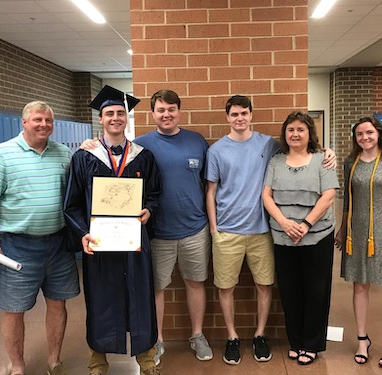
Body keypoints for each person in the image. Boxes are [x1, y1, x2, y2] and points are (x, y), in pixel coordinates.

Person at [206, 95, 336, 365]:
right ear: (227, 117)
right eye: (234, 114)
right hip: (229, 231)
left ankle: (260, 335)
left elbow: (305, 151)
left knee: (265, 285)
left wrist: (329, 152)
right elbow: (211, 191)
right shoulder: (217, 150)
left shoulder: (269, 145)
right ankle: (232, 337)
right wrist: (215, 230)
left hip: (262, 231)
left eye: (244, 113)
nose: (239, 118)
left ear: (251, 115)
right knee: (226, 287)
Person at [63, 85, 162, 375]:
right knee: (101, 297)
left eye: (121, 113)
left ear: (127, 118)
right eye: (109, 113)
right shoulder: (85, 156)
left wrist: (149, 210)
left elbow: (155, 193)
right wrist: (83, 232)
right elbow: (72, 203)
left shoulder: (143, 156)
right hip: (100, 241)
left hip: (134, 240)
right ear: (101, 119)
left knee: (141, 296)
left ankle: (145, 358)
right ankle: (97, 360)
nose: (115, 118)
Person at [0, 101, 80, 375]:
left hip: (59, 244)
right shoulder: (2, 154)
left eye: (48, 120)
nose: (43, 124)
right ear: (24, 122)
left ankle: (54, 361)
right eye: (37, 119)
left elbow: (77, 194)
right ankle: (17, 366)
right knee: (13, 309)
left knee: (58, 303)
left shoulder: (64, 154)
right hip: (17, 246)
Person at [134, 90, 213, 363]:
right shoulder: (140, 144)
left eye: (171, 109)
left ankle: (197, 335)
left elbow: (208, 184)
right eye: (160, 109)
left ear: (179, 111)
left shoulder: (196, 141)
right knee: (157, 287)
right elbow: (114, 163)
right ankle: (157, 340)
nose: (166, 114)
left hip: (195, 228)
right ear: (152, 113)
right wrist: (90, 145)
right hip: (157, 232)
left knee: (195, 283)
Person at [262, 111, 339, 365]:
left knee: (316, 291)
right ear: (285, 133)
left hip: (317, 236)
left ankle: (312, 344)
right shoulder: (276, 161)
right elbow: (266, 196)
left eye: (301, 130)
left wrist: (305, 224)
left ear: (309, 134)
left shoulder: (322, 161)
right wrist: (284, 223)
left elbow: (328, 196)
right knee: (290, 291)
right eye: (291, 129)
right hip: (284, 238)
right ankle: (295, 341)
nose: (295, 134)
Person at [335, 116, 382, 368]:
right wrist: (342, 228)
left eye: (369, 133)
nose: (364, 138)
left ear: (379, 133)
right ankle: (362, 339)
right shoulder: (350, 162)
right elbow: (347, 199)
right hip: (357, 236)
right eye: (359, 135)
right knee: (359, 287)